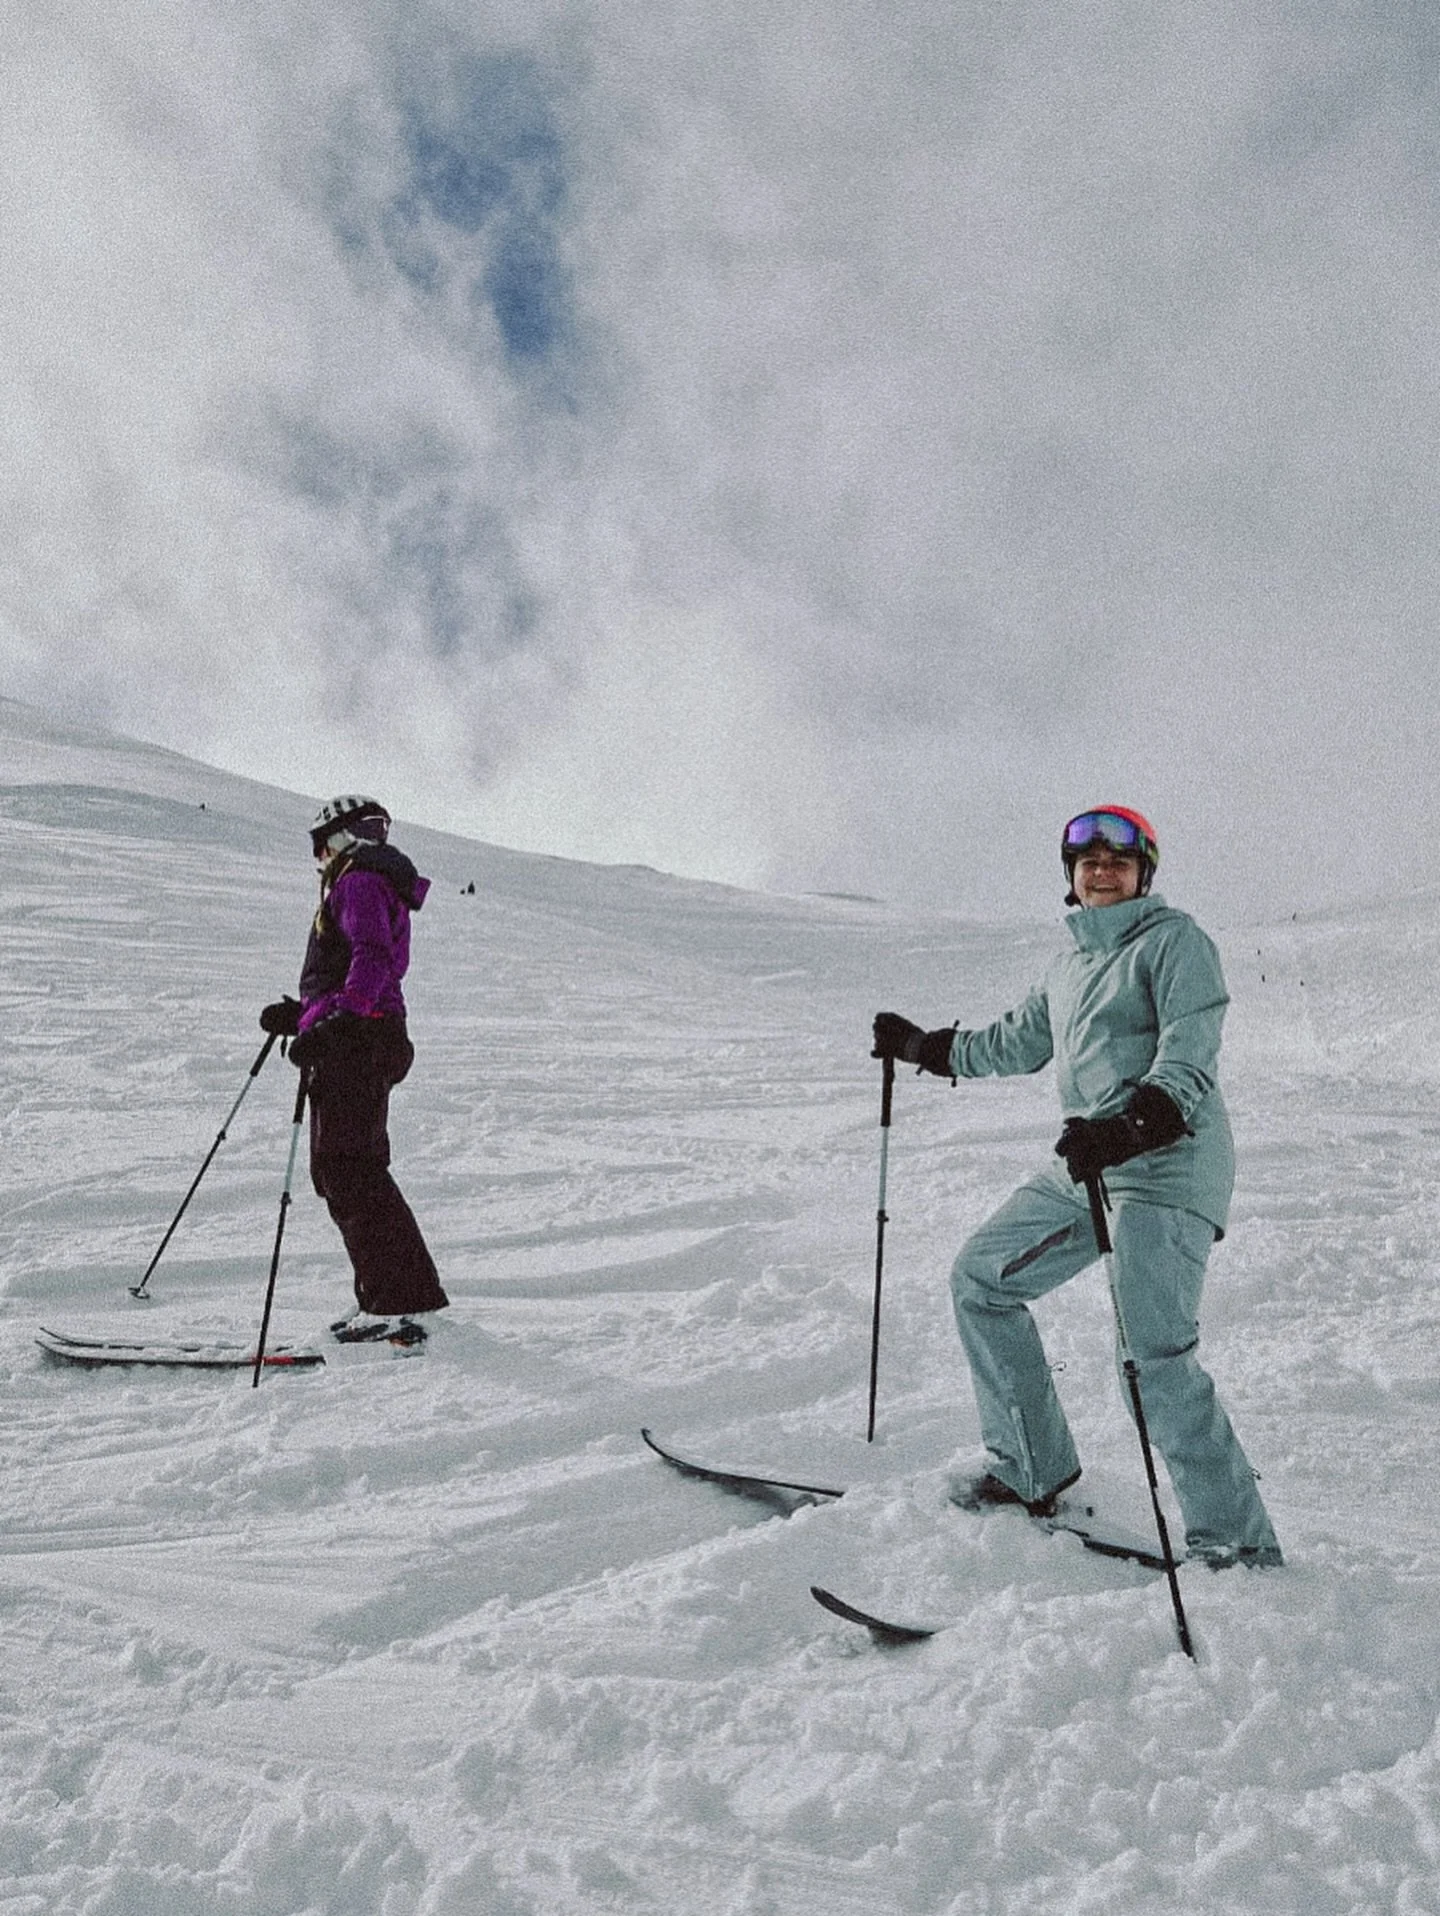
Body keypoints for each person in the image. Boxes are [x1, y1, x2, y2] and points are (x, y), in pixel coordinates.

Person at [873, 806, 1281, 1570]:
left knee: (1153, 1355)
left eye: (1119, 859)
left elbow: (1188, 1060)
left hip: (1167, 1163)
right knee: (981, 1279)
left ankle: (1237, 1545)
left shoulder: (1175, 944)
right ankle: (1032, 1466)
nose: (1102, 869)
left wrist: (1128, 1127)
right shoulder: (1068, 967)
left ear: (1143, 873)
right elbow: (1014, 1042)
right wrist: (922, 1047)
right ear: (1071, 876)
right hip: (1090, 1164)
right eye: (1087, 859)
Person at [261, 795, 448, 1346]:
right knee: (349, 1168)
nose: (318, 858)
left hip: (359, 1040)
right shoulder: (363, 882)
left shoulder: (359, 880)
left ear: (341, 838)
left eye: (321, 846)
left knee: (349, 1169)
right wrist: (305, 1016)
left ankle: (400, 1301)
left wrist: (338, 1022)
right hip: (361, 1035)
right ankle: (391, 1296)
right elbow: (359, 970)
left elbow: (371, 958)